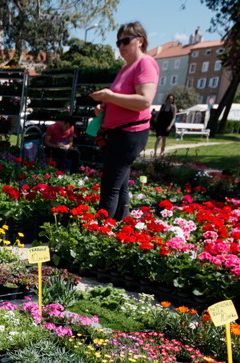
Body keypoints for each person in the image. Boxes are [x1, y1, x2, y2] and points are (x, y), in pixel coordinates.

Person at [90, 22, 158, 222]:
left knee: (110, 186)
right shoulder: (125, 68)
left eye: (126, 41)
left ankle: (101, 231)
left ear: (140, 41)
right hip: (116, 134)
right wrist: (104, 106)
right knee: (120, 186)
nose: (121, 46)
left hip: (129, 134)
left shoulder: (145, 63)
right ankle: (121, 227)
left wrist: (109, 96)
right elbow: (120, 99)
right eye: (118, 42)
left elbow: (144, 101)